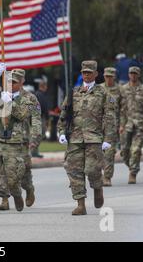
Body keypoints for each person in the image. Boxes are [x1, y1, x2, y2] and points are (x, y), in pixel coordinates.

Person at [58, 61, 116, 215]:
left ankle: (97, 187)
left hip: (94, 138)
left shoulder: (104, 94)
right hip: (75, 138)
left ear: (96, 74)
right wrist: (61, 132)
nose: (86, 74)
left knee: (92, 169)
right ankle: (80, 204)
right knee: (74, 171)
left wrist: (108, 139)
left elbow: (110, 118)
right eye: (84, 72)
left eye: (90, 72)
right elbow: (64, 114)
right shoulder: (73, 92)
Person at [0, 65, 35, 214]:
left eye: (14, 82)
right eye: (9, 81)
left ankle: (17, 194)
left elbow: (23, 115)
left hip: (13, 143)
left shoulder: (28, 99)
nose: (11, 84)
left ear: (21, 83)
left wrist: (10, 102)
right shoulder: (0, 95)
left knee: (12, 178)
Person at [120, 66, 143, 184]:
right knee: (124, 151)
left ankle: (133, 173)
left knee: (135, 150)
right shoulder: (123, 89)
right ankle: (132, 165)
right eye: (131, 73)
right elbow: (119, 108)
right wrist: (120, 124)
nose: (133, 75)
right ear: (128, 74)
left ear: (139, 75)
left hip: (140, 125)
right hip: (126, 124)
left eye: (135, 73)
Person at [100, 67, 122, 186]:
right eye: (107, 76)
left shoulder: (119, 90)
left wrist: (122, 124)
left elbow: (123, 109)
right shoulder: (98, 88)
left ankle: (107, 177)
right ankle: (99, 173)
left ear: (114, 77)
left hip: (112, 125)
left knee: (109, 151)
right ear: (104, 76)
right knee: (97, 152)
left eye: (111, 77)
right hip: (98, 125)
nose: (109, 79)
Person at [31, 77, 49, 158]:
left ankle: (34, 150)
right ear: (44, 86)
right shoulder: (42, 95)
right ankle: (34, 151)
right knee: (39, 135)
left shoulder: (35, 94)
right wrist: (48, 118)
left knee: (37, 135)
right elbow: (45, 108)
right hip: (40, 118)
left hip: (35, 117)